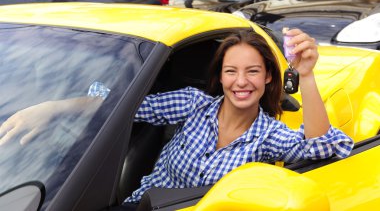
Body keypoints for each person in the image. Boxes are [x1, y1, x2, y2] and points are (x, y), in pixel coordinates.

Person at [0, 29, 354, 205]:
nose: (241, 82)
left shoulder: (268, 136)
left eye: (253, 72)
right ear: (220, 77)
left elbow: (325, 146)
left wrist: (305, 75)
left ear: (268, 78)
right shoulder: (192, 104)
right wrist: (53, 107)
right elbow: (122, 106)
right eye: (231, 71)